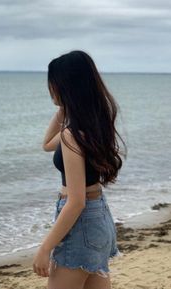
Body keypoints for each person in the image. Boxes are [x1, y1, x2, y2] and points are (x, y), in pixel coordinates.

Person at [32, 50, 127, 289]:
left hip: (82, 223)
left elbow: (76, 202)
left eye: (52, 81)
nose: (49, 87)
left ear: (64, 85)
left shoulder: (72, 136)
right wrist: (63, 110)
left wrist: (45, 248)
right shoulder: (92, 126)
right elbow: (46, 145)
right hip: (99, 217)